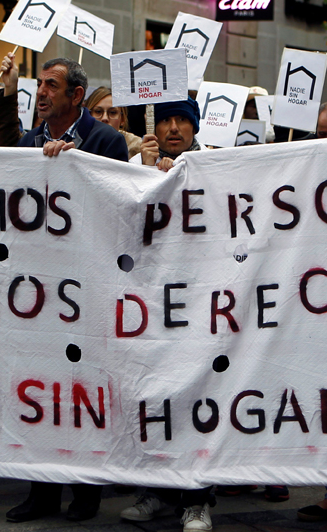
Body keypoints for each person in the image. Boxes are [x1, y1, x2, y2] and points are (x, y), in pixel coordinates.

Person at [5, 56, 125, 524]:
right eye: (39, 85)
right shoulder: (30, 141)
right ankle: (41, 491)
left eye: (51, 85)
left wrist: (74, 165)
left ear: (76, 95)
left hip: (88, 285)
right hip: (41, 288)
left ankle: (86, 490)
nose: (41, 92)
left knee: (81, 391)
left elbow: (114, 202)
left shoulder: (106, 140)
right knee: (41, 389)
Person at [120, 98, 219, 531]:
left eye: (182, 121)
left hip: (199, 303)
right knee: (151, 396)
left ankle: (197, 500)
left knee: (197, 402)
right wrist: (140, 173)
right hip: (150, 304)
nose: (174, 128)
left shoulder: (217, 166)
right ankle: (154, 492)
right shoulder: (132, 163)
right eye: (166, 120)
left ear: (195, 128)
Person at [86, 86, 140, 159]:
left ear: (122, 119)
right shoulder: (76, 141)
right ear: (88, 115)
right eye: (98, 112)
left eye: (112, 112)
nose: (105, 118)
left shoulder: (137, 147)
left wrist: (147, 163)